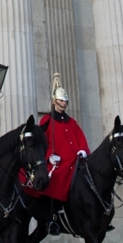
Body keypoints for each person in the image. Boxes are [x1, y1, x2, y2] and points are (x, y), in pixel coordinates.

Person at [26, 74, 89, 205]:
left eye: (65, 101)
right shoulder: (46, 120)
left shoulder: (72, 122)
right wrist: (49, 156)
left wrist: (82, 150)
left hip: (75, 160)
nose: (64, 103)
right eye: (61, 100)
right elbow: (41, 142)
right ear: (54, 101)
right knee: (54, 178)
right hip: (58, 161)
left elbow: (80, 138)